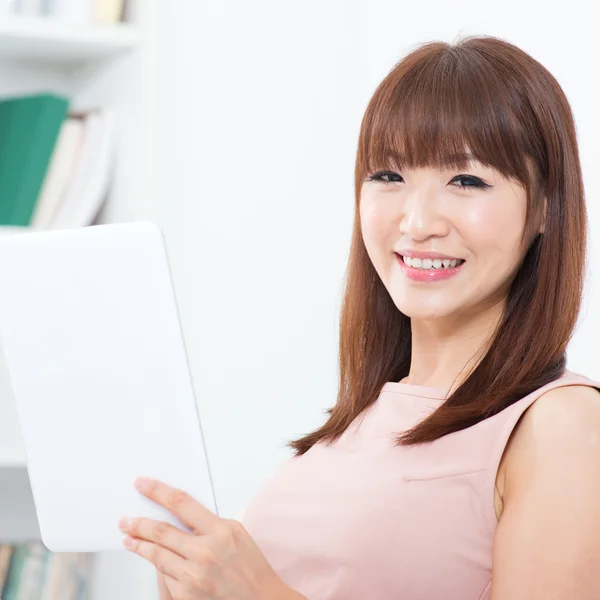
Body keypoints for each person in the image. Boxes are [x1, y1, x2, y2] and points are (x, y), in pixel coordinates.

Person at [143, 33, 600, 600]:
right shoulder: (357, 423)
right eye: (388, 176)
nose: (416, 221)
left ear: (545, 210)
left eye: (466, 180)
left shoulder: (561, 424)